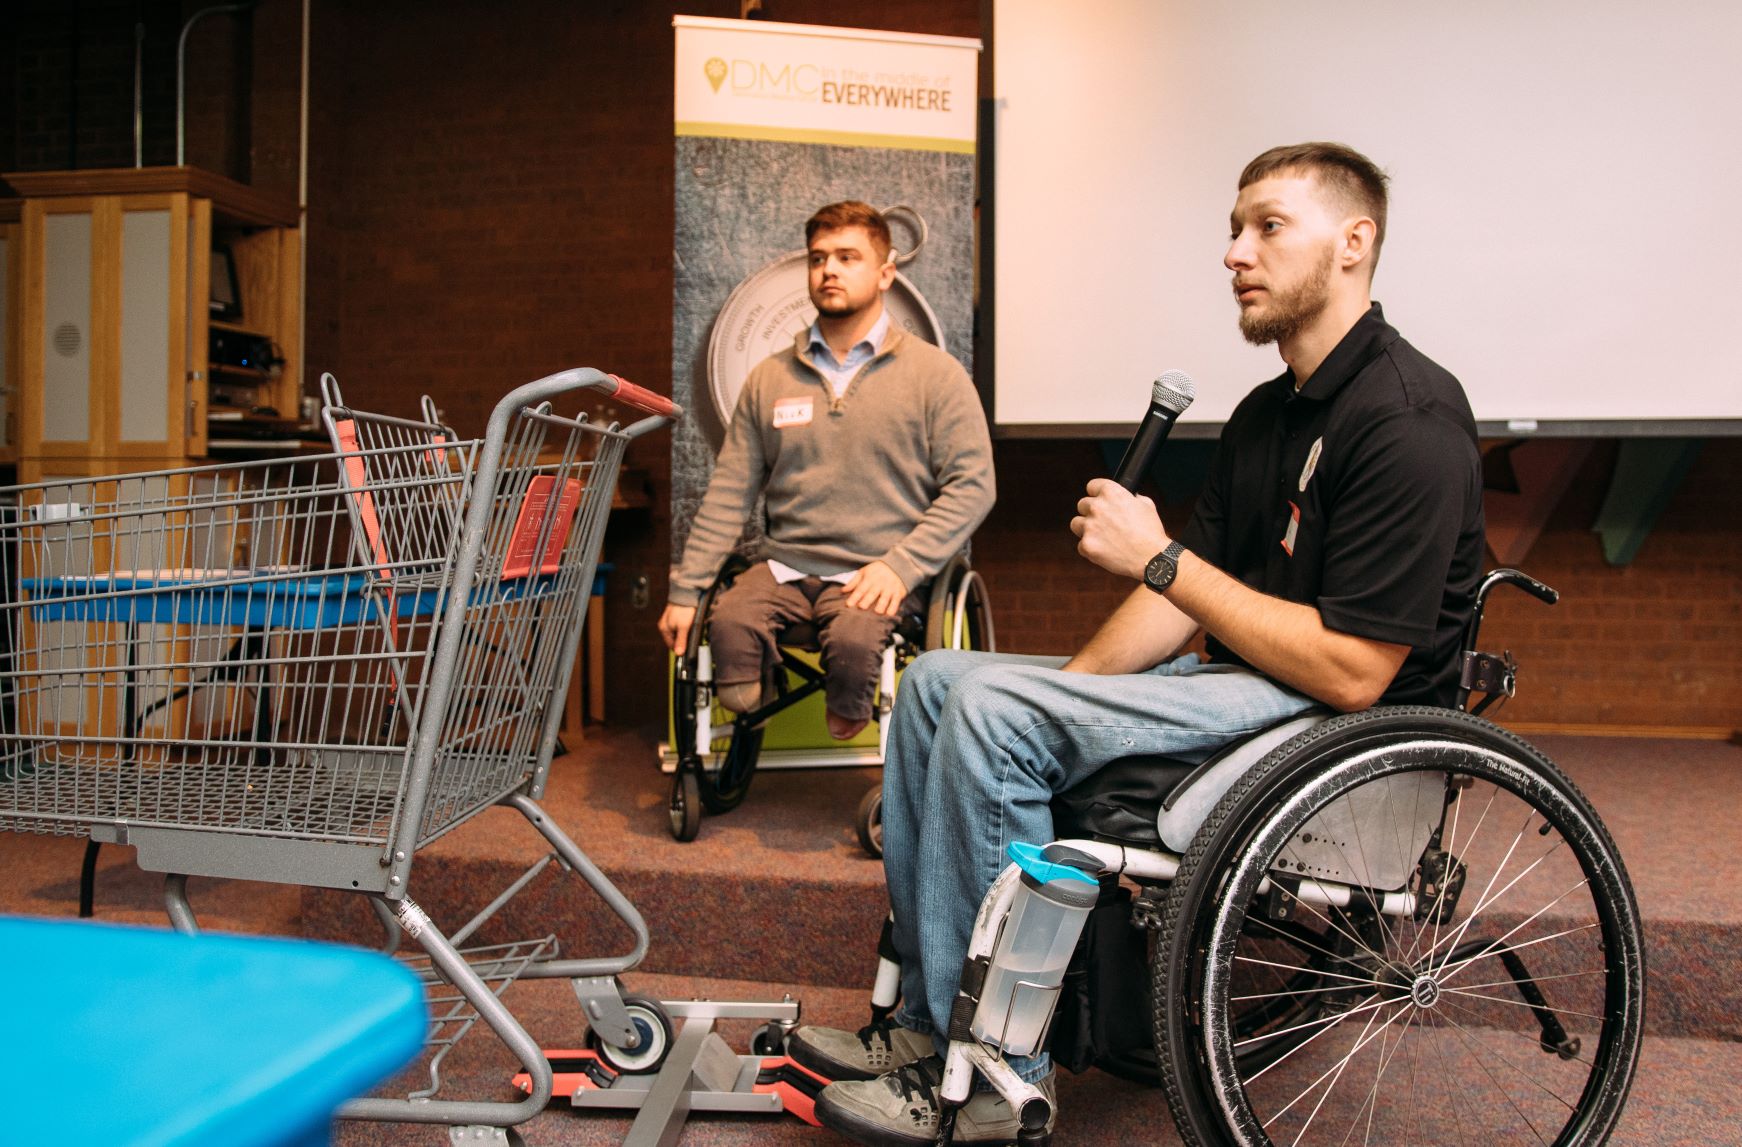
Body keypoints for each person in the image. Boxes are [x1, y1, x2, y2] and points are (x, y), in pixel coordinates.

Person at [795, 143, 1487, 1145]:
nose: (1232, 251)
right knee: (943, 683)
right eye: (1230, 227)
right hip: (1255, 687)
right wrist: (1064, 708)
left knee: (994, 708)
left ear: (1353, 242)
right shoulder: (1264, 415)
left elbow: (1353, 665)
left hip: (1351, 720)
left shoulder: (1405, 418)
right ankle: (921, 1029)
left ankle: (995, 1079)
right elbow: (1174, 603)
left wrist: (1155, 562)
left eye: (1265, 226)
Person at [660, 202, 994, 741]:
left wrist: (902, 566)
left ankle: (851, 709)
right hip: (785, 567)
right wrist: (685, 591)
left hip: (877, 572)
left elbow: (974, 486)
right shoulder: (769, 379)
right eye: (818, 259)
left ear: (886, 273)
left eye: (847, 256)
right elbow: (728, 495)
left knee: (858, 644)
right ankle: (748, 703)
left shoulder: (936, 376)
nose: (829, 270)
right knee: (728, 623)